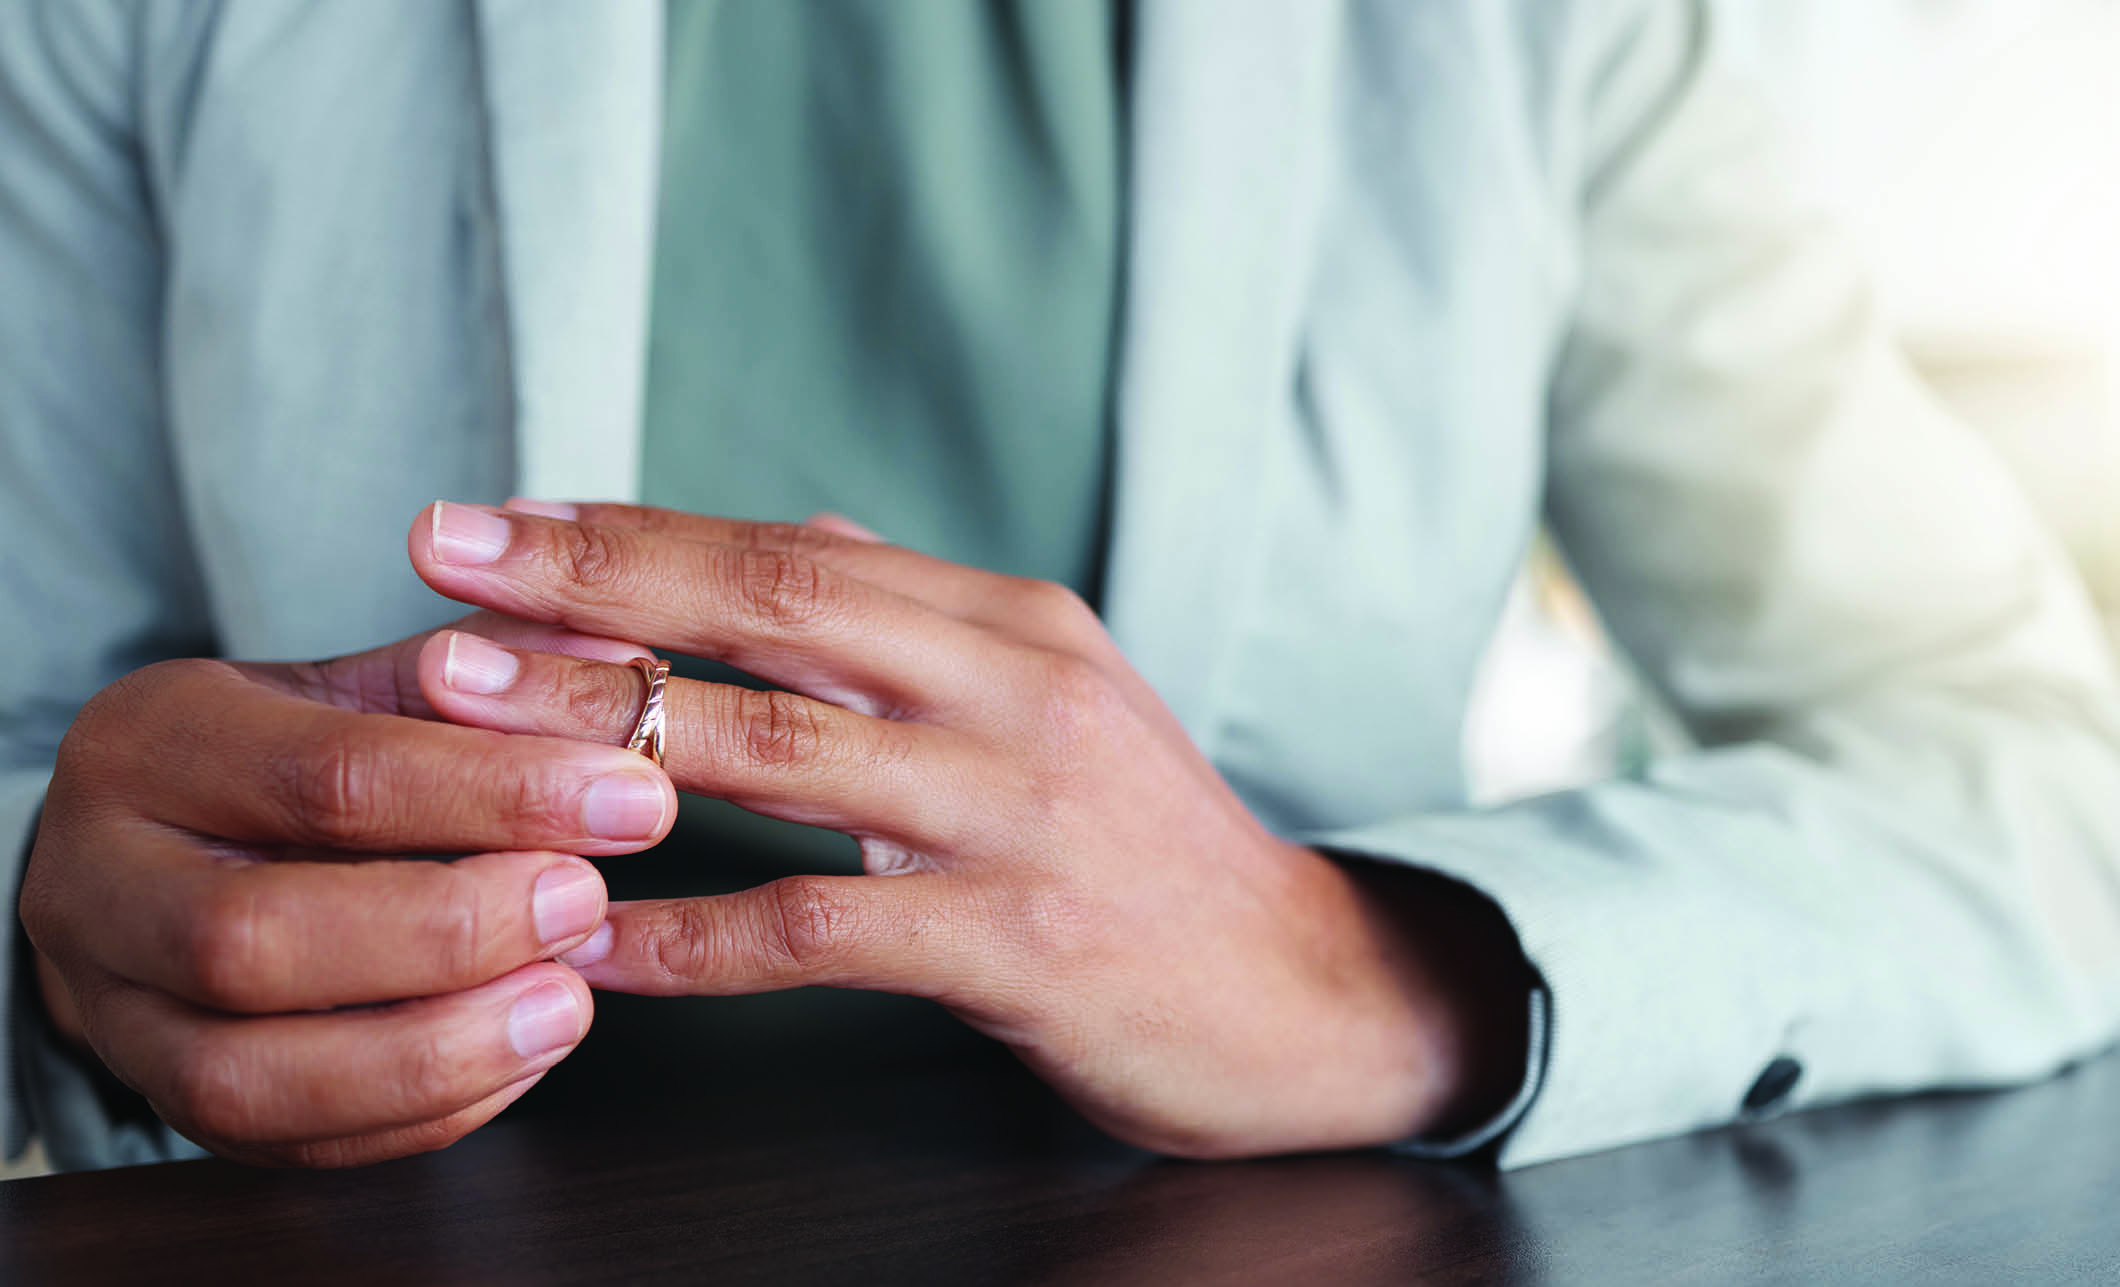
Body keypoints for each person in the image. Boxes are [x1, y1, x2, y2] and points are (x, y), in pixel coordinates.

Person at [6, 0, 2119, 1175]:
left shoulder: (1540, 38)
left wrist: (1372, 967)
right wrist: (56, 919)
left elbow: (2045, 787)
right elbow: (39, 755)